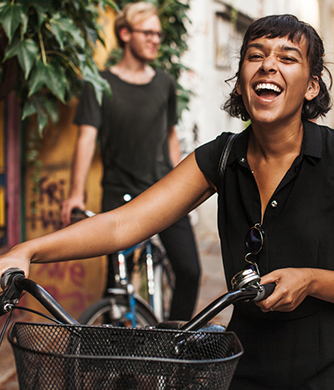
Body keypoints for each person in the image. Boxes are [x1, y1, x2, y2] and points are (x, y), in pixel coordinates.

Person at [0, 14, 334, 389]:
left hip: (333, 371)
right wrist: (29, 250)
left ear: (312, 86)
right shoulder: (219, 158)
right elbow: (121, 225)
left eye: (287, 58)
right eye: (255, 55)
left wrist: (312, 280)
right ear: (242, 78)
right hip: (244, 366)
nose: (268, 65)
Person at [59, 1, 200, 321]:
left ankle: (170, 343)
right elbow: (86, 138)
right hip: (119, 193)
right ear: (125, 33)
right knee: (116, 286)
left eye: (158, 35)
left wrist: (183, 183)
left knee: (189, 272)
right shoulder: (99, 83)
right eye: (147, 33)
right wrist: (76, 193)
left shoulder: (165, 83)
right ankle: (115, 357)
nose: (155, 40)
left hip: (165, 193)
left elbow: (171, 136)